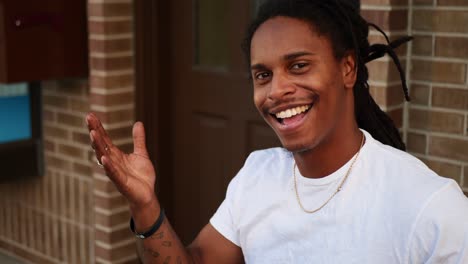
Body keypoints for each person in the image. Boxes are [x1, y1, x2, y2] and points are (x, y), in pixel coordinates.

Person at [86, 0, 468, 263]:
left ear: (348, 69)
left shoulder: (428, 206)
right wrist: (145, 206)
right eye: (262, 75)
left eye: (299, 66)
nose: (277, 91)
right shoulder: (257, 176)